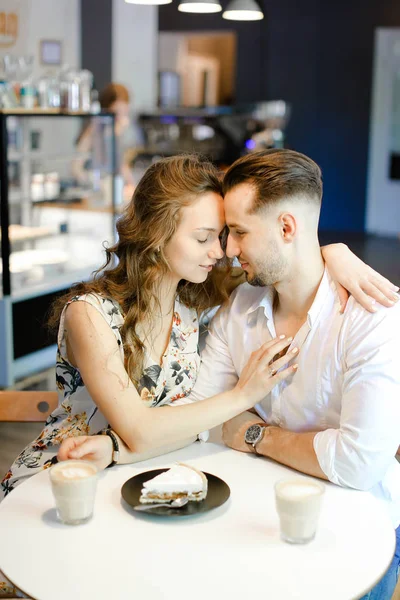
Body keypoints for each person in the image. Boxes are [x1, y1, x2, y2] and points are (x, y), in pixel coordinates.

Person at [0, 154, 397, 596]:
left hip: (174, 484)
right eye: (209, 237)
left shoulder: (201, 305)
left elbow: (292, 261)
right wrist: (242, 397)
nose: (224, 251)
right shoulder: (101, 314)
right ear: (157, 234)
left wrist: (334, 254)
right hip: (78, 480)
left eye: (230, 234)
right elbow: (185, 421)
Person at [72, 82, 135, 200]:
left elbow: (121, 164)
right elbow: (76, 167)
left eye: (124, 112)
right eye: (116, 113)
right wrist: (95, 184)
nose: (121, 118)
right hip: (94, 195)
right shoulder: (94, 129)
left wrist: (133, 186)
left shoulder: (118, 130)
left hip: (114, 194)